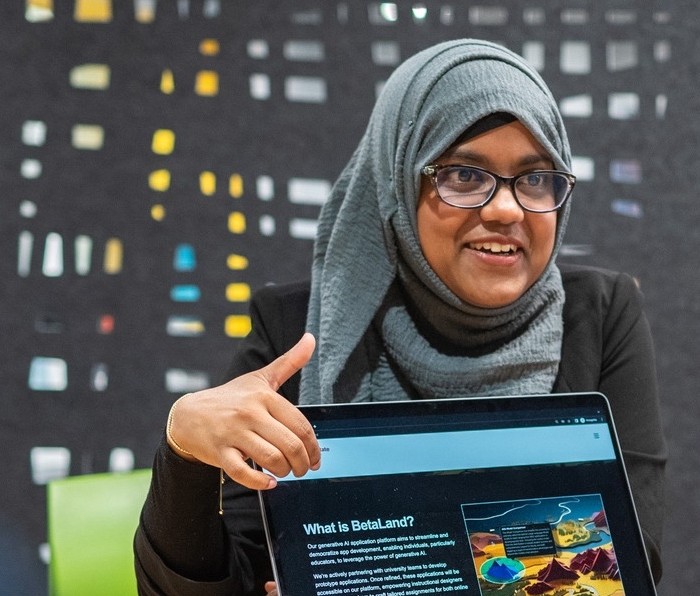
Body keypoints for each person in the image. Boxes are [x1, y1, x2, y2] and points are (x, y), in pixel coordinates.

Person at [133, 40, 667, 595]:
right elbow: (228, 584)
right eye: (464, 176)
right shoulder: (295, 329)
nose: (506, 209)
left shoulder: (600, 314)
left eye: (535, 179)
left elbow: (634, 562)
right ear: (397, 184)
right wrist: (185, 453)